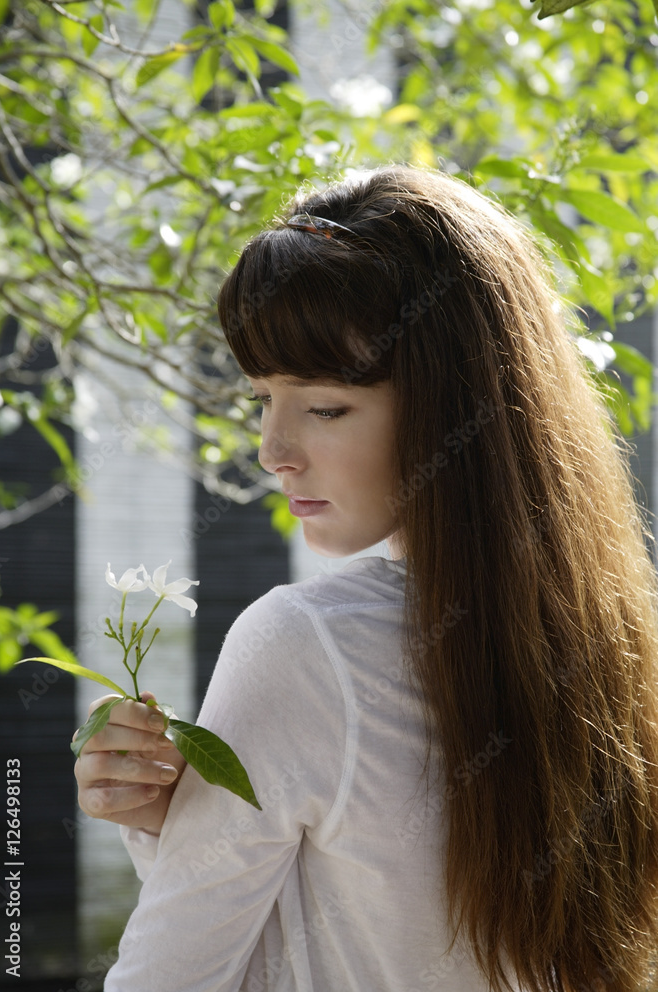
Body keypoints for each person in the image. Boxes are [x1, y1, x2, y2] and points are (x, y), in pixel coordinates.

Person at [75, 164, 658, 992]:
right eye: (260, 398)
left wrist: (190, 848)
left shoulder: (303, 644)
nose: (273, 450)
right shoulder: (619, 649)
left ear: (453, 409)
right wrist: (176, 830)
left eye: (324, 407)